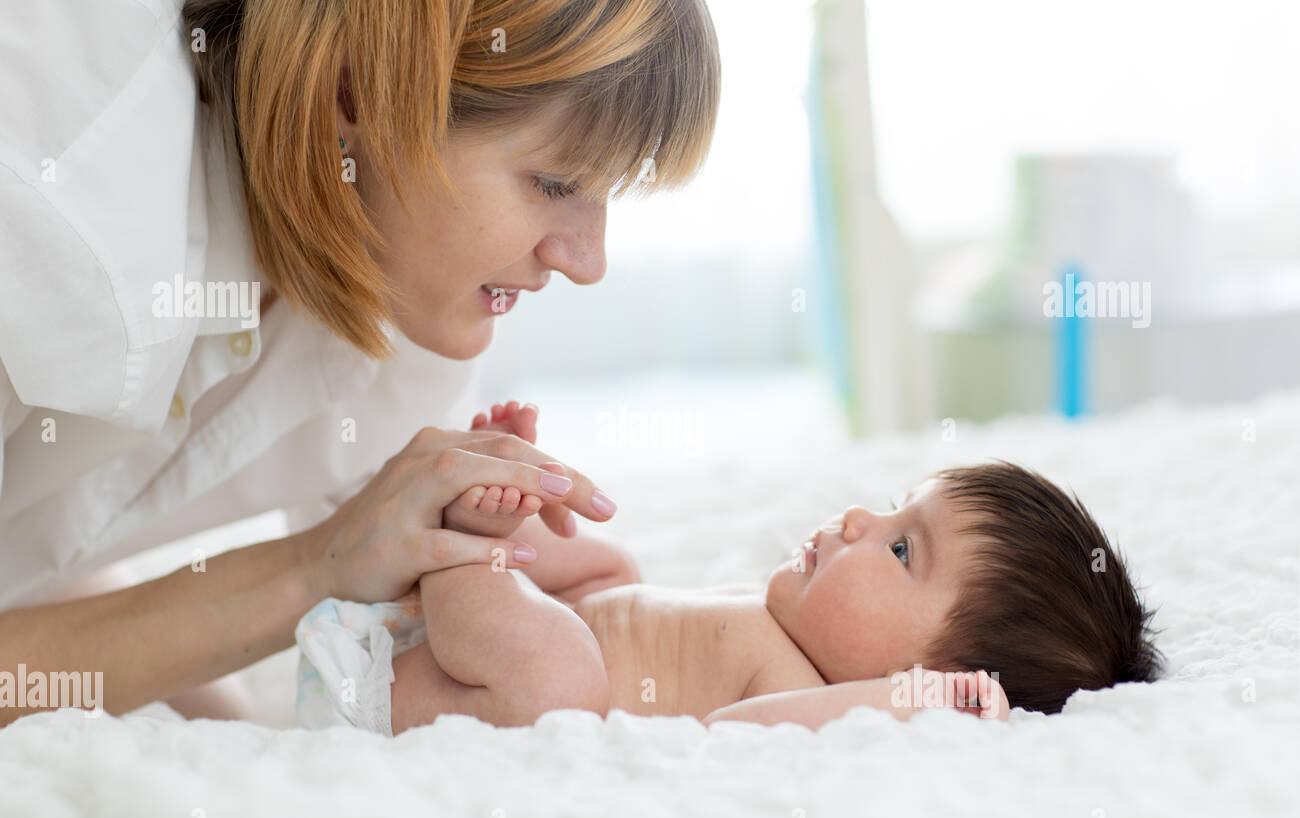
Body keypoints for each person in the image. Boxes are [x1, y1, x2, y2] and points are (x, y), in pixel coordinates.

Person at [0, 0, 720, 725]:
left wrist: (232, 736)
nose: (588, 263)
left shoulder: (402, 291)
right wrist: (314, 570)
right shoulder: (50, 206)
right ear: (358, 94)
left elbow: (30, 562)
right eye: (556, 185)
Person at [293, 460, 1165, 735]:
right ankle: (498, 519)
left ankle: (462, 549)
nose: (861, 516)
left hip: (404, 697)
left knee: (561, 681)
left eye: (902, 547)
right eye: (895, 505)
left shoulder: (808, 696)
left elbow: (737, 737)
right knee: (612, 569)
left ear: (932, 672)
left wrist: (898, 702)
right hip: (407, 636)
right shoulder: (776, 615)